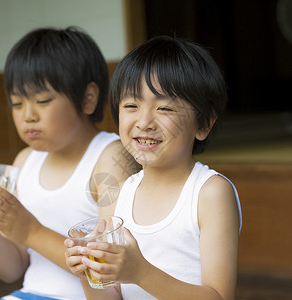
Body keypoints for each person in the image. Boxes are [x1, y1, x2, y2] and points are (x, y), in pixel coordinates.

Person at [0, 26, 138, 300]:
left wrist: (31, 231)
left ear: (88, 98)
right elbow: (12, 269)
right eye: (16, 103)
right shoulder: (25, 161)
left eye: (42, 100)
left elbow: (110, 270)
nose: (28, 116)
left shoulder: (110, 157)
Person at [65, 35, 242, 300]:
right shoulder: (121, 193)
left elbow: (219, 297)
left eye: (165, 108)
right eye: (131, 106)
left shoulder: (210, 194)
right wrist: (88, 273)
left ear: (203, 124)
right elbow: (111, 296)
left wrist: (141, 273)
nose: (144, 121)